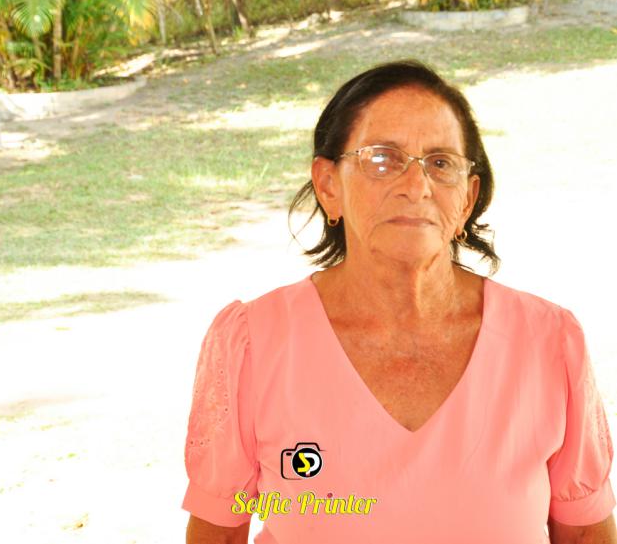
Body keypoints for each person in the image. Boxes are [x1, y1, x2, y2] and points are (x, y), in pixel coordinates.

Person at [181, 60, 617, 544]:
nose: (416, 186)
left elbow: (585, 533)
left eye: (440, 163)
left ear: (466, 200)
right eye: (383, 158)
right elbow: (220, 533)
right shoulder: (253, 343)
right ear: (328, 186)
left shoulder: (548, 342)